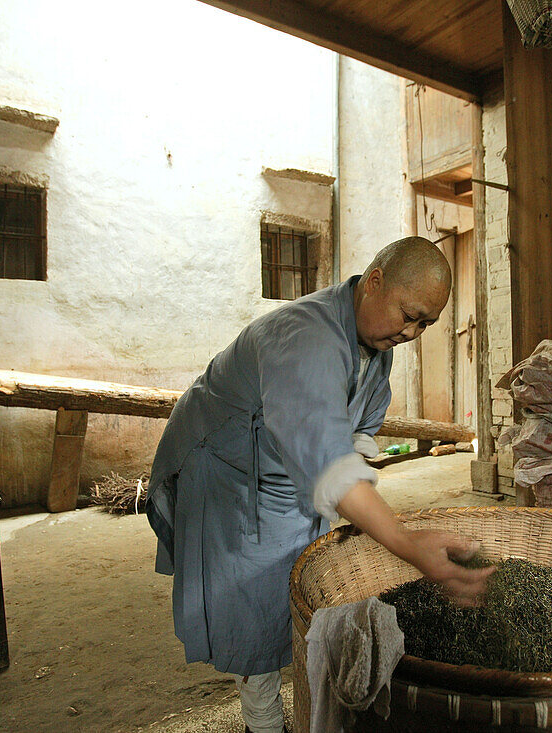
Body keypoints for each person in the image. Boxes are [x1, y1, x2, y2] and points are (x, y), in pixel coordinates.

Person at [146, 236, 494, 733]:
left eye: (426, 324)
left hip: (283, 465)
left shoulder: (377, 344)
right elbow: (329, 465)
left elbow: (353, 435)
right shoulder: (306, 336)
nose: (412, 331)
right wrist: (407, 543)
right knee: (250, 593)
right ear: (374, 281)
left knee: (296, 573)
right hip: (229, 466)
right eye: (409, 315)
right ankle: (262, 719)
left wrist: (350, 481)